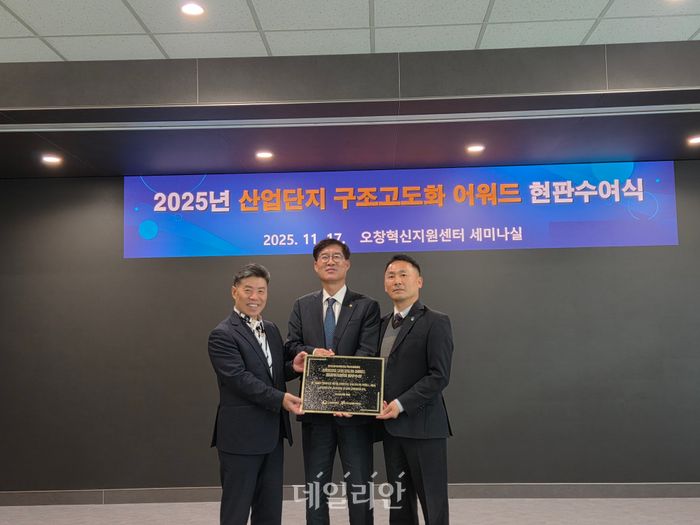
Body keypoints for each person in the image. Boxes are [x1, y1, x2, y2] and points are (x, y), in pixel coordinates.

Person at [287, 239, 380, 525]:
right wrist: (312, 352)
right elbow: (291, 346)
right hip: (316, 413)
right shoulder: (302, 305)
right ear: (315, 265)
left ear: (347, 264)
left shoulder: (366, 306)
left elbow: (367, 352)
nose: (331, 261)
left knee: (360, 485)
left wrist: (345, 396)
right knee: (316, 487)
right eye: (324, 257)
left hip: (354, 414)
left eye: (337, 256)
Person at [208, 263, 306, 525]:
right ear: (234, 291)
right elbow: (240, 380)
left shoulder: (271, 329)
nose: (255, 297)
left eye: (261, 291)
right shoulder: (222, 334)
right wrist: (281, 399)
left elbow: (272, 374)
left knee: (269, 512)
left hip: (272, 436)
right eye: (248, 290)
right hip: (240, 438)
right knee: (236, 512)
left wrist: (293, 368)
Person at [376, 254, 453, 525]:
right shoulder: (380, 324)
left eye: (403, 275)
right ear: (385, 284)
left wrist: (400, 404)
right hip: (390, 429)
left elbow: (439, 376)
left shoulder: (436, 321)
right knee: (400, 504)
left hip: (424, 428)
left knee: (432, 502)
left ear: (419, 281)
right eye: (391, 276)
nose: (397, 281)